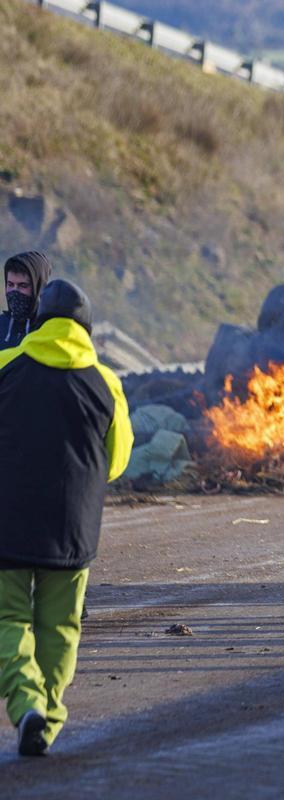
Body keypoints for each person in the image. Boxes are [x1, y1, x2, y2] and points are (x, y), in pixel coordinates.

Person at [0, 279, 133, 756]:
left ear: (38, 321)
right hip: (72, 524)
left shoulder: (5, 366)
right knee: (60, 627)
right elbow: (117, 461)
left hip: (7, 520)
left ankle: (26, 703)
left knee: (8, 618)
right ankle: (49, 713)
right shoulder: (106, 381)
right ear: (87, 328)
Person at [1, 251, 52, 349]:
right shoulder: (2, 325)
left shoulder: (50, 330)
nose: (14, 292)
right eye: (10, 284)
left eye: (23, 285)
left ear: (39, 287)